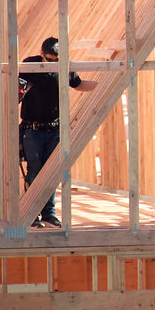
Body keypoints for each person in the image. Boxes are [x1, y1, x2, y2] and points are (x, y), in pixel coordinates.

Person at [20, 37, 97, 227]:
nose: (53, 64)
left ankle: (48, 214)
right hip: (33, 130)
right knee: (35, 171)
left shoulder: (65, 66)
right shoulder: (30, 66)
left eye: (57, 60)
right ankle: (31, 214)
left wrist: (103, 85)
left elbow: (78, 84)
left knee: (51, 173)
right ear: (42, 55)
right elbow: (16, 92)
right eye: (50, 60)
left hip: (54, 129)